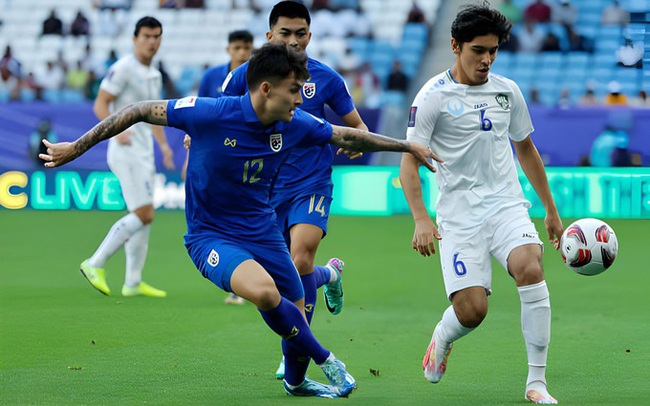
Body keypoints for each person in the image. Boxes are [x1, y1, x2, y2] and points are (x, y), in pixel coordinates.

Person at [39, 42, 439, 398]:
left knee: (295, 310)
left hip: (261, 230)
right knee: (267, 294)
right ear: (266, 89)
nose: (301, 100)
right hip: (210, 236)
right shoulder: (210, 113)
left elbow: (348, 136)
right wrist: (76, 146)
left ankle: (297, 380)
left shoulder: (296, 123)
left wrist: (406, 145)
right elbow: (138, 110)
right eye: (294, 90)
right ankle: (329, 361)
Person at [399, 3, 563, 404]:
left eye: (493, 50)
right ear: (455, 46)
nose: (487, 59)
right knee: (472, 311)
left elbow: (526, 149)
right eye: (478, 50)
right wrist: (421, 218)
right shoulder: (432, 97)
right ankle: (442, 336)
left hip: (506, 205)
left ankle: (536, 383)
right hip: (458, 215)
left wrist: (550, 209)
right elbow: (408, 163)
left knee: (529, 266)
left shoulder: (508, 92)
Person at [222, 1, 369, 379]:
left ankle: (297, 353)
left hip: (311, 183)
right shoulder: (244, 77)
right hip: (263, 191)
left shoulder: (327, 79)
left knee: (299, 261)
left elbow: (358, 127)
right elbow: (217, 115)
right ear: (269, 36)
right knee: (278, 279)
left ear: (310, 35)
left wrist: (359, 140)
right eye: (285, 33)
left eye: (300, 33)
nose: (293, 40)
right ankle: (331, 275)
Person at [79, 16, 175, 298]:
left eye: (157, 36)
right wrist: (114, 131)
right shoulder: (122, 69)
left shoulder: (153, 73)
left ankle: (132, 282)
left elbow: (154, 114)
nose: (152, 41)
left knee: (145, 215)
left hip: (143, 151)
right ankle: (94, 263)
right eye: (147, 36)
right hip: (125, 150)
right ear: (135, 39)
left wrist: (164, 146)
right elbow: (101, 102)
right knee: (144, 213)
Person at [188, 29, 254, 305]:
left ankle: (244, 279)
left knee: (246, 213)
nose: (242, 53)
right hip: (216, 157)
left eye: (246, 48)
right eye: (237, 48)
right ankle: (239, 276)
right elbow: (198, 114)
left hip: (246, 157)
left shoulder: (257, 78)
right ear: (228, 49)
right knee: (224, 214)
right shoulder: (212, 77)